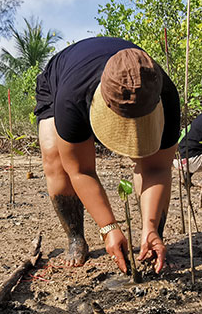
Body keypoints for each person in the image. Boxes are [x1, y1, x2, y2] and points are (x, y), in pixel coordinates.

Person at [34, 36, 180, 274]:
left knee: (150, 160)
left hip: (124, 83)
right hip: (61, 80)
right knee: (56, 160)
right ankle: (75, 238)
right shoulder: (72, 96)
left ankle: (152, 237)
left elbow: (157, 168)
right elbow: (80, 170)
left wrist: (151, 226)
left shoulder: (164, 91)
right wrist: (108, 228)